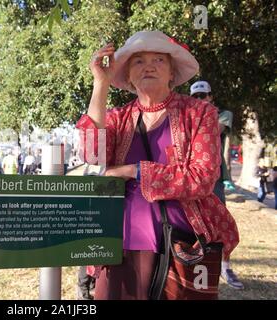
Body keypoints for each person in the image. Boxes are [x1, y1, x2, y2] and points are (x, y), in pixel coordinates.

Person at [76, 30, 239, 300]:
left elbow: (202, 177)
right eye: (138, 61)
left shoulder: (199, 113)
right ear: (127, 74)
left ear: (172, 72)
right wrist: (100, 83)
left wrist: (133, 170)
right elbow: (91, 153)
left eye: (158, 60)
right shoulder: (118, 117)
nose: (149, 65)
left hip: (182, 243)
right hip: (120, 242)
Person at [190, 80, 244, 290]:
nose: (200, 100)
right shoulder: (189, 116)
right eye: (195, 97)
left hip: (215, 178)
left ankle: (225, 267)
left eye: (203, 96)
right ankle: (197, 264)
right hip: (192, 176)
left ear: (211, 97)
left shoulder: (222, 114)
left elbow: (213, 129)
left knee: (220, 222)